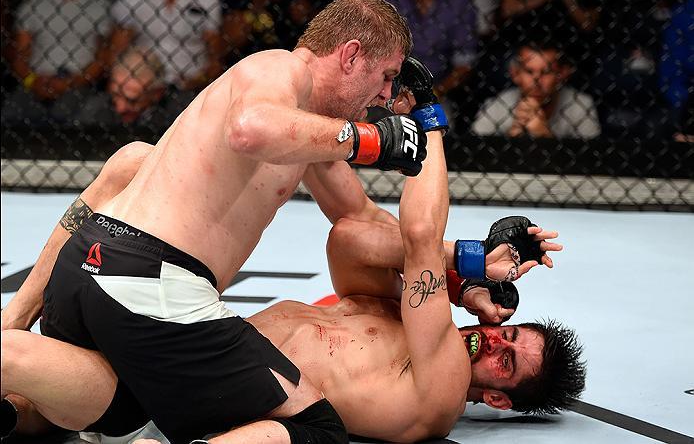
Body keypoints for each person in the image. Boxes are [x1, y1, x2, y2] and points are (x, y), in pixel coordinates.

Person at [2, 94, 579, 443]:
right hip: (169, 347)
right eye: (508, 335)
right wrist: (463, 276)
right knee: (135, 161)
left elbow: (420, 236)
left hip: (169, 401)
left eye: (507, 362)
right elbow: (354, 231)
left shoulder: (442, 384)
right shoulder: (396, 317)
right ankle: (17, 324)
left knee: (35, 379)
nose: (493, 344)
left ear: (499, 400)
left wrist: (425, 122)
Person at [2, 0, 433, 444]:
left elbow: (361, 221)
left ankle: (12, 357)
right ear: (350, 56)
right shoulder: (279, 68)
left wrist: (466, 266)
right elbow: (251, 129)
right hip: (151, 283)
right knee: (316, 430)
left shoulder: (310, 131)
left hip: (94, 271)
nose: (387, 95)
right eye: (386, 75)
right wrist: (367, 139)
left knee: (121, 411)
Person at [1, 0, 111, 126]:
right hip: (37, 80)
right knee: (10, 114)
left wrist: (71, 83)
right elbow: (19, 55)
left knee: (72, 117)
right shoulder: (34, 3)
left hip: (79, 83)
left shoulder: (102, 5)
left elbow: (103, 58)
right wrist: (32, 81)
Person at [471, 41, 600, 139]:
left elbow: (595, 165)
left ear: (562, 74)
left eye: (546, 72)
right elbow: (473, 152)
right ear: (515, 73)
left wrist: (544, 136)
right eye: (529, 71)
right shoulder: (498, 103)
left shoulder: (581, 104)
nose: (537, 81)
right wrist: (513, 136)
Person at [109, 0, 224, 91]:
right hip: (143, 84)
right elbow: (116, 52)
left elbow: (215, 59)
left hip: (191, 82)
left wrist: (200, 81)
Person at [76, 47, 195, 130]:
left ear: (157, 93)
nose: (120, 108)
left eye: (132, 100)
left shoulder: (182, 115)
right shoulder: (95, 110)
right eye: (115, 96)